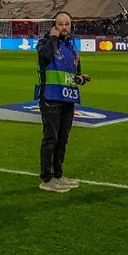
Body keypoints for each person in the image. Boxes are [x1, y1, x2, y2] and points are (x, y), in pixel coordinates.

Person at [35, 12, 88, 192]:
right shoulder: (45, 43)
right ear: (54, 26)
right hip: (50, 97)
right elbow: (45, 58)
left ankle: (58, 175)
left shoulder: (72, 47)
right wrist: (52, 38)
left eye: (67, 24)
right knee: (51, 138)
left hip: (68, 97)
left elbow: (74, 74)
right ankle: (47, 178)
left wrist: (80, 79)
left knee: (62, 140)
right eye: (60, 24)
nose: (64, 27)